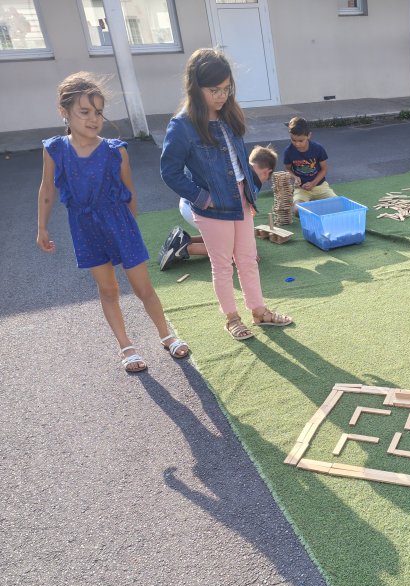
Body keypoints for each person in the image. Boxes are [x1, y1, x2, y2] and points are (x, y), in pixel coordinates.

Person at [36, 72, 189, 373]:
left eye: (98, 112)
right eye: (84, 112)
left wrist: (129, 229)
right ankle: (126, 346)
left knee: (143, 288)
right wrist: (41, 226)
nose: (93, 119)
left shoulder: (115, 150)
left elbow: (129, 193)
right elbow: (47, 189)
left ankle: (166, 335)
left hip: (120, 224)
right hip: (84, 228)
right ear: (64, 111)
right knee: (108, 290)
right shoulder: (54, 149)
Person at [160, 48, 292, 341]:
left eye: (226, 88)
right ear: (196, 88)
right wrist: (202, 198)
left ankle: (259, 312)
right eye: (214, 90)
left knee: (248, 258)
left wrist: (250, 194)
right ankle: (232, 318)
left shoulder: (228, 114)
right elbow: (170, 172)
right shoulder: (182, 126)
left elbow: (239, 160)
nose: (221, 96)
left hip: (241, 201)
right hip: (213, 208)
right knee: (222, 265)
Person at [159, 144, 278, 270]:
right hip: (201, 209)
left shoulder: (237, 167)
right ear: (267, 172)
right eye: (266, 179)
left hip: (188, 203)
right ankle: (185, 248)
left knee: (224, 238)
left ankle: (185, 239)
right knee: (230, 249)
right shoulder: (252, 182)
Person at [282, 116, 336, 211]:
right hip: (301, 189)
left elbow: (324, 170)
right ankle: (312, 207)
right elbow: (287, 169)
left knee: (337, 205)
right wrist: (295, 177)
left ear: (309, 135)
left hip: (320, 186)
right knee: (298, 210)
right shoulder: (288, 151)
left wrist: (313, 183)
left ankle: (314, 207)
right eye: (293, 140)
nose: (297, 144)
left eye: (301, 140)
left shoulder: (318, 148)